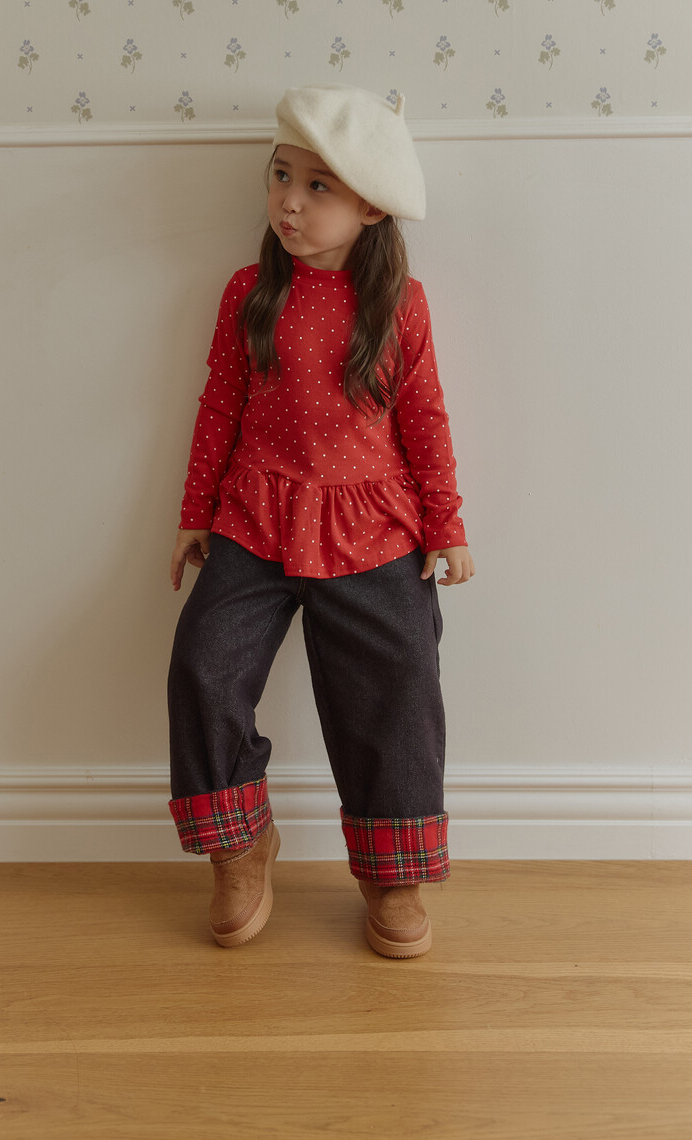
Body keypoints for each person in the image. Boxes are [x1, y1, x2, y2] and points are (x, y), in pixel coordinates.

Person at [166, 83, 475, 958]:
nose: (289, 203)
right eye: (281, 177)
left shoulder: (399, 305)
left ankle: (392, 871)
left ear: (371, 206)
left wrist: (447, 524)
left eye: (317, 186)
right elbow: (219, 406)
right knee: (202, 664)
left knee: (397, 686)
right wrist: (195, 512)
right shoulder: (248, 294)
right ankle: (240, 844)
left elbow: (425, 418)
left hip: (373, 529)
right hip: (256, 518)